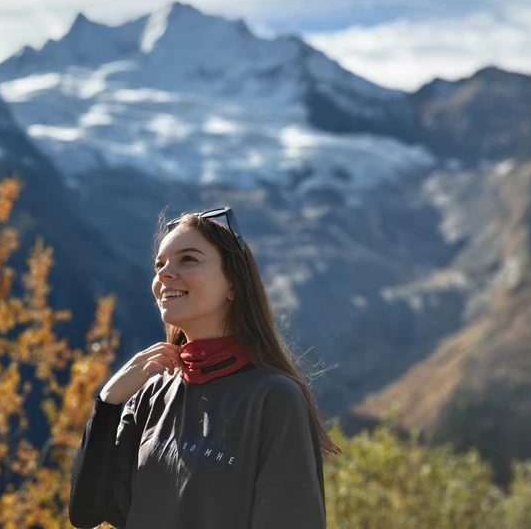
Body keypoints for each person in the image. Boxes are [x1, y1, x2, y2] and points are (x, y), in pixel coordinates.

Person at [69, 207, 341, 529]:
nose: (164, 274)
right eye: (159, 265)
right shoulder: (150, 396)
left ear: (233, 284)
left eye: (188, 259)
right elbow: (86, 512)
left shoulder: (274, 398)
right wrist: (108, 402)